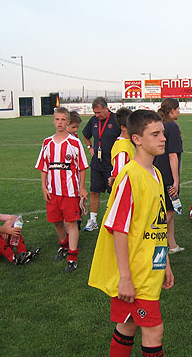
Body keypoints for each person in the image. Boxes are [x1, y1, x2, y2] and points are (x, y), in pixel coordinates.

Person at [88, 109, 192, 357]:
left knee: (127, 325)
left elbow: (157, 226)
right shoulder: (130, 176)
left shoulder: (156, 174)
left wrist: (165, 263)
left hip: (151, 268)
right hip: (134, 274)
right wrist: (124, 277)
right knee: (154, 331)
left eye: (163, 133)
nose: (163, 138)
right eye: (155, 134)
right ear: (137, 139)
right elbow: (118, 229)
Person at [35, 107, 89, 272]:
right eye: (57, 119)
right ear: (53, 121)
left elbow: (82, 167)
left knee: (71, 223)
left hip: (70, 191)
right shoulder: (47, 143)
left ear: (68, 122)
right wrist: (43, 187)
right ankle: (64, 245)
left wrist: (82, 188)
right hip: (52, 191)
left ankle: (72, 257)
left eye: (63, 120)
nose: (60, 123)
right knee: (56, 221)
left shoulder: (74, 143)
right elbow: (44, 167)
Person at [82, 97, 121, 232]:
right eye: (95, 113)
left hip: (112, 164)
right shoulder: (93, 121)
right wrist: (89, 147)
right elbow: (85, 134)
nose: (97, 115)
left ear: (106, 108)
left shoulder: (116, 120)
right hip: (97, 163)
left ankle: (114, 219)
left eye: (99, 112)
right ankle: (93, 220)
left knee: (114, 193)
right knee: (94, 191)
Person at [154, 99, 185, 255]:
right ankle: (150, 240)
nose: (179, 112)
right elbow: (173, 155)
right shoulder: (171, 127)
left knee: (168, 209)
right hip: (167, 175)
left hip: (158, 171)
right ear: (172, 110)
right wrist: (176, 181)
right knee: (169, 212)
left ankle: (172, 245)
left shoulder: (161, 125)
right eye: (177, 109)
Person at [108, 107, 135, 186]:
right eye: (133, 125)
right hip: (126, 188)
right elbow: (119, 173)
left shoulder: (128, 142)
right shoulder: (122, 147)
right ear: (123, 128)